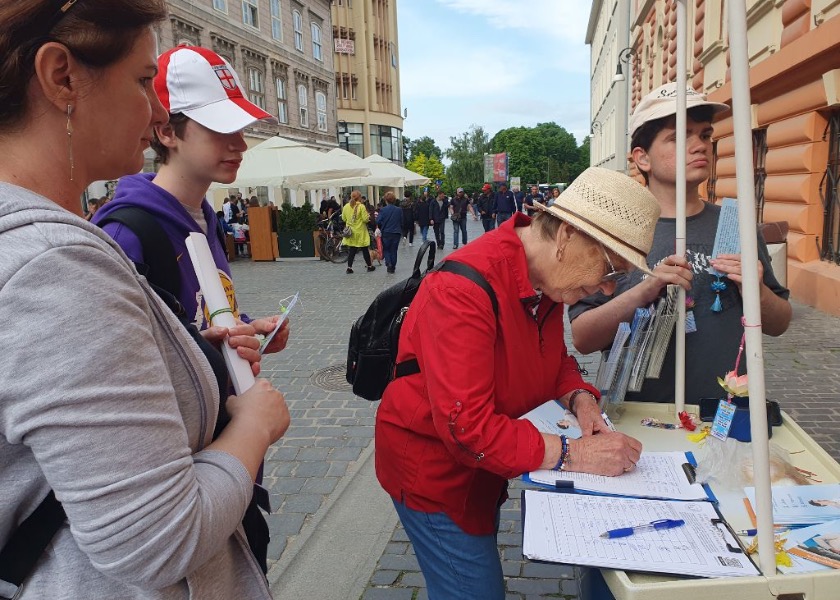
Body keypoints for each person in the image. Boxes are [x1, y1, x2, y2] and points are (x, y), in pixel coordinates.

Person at [0, 3, 289, 599]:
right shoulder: (55, 261)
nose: (157, 109)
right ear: (61, 78)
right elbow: (156, 539)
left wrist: (191, 353)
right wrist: (255, 426)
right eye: (140, 80)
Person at [375, 167, 660, 600]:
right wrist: (576, 453)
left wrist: (582, 400)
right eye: (609, 269)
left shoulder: (545, 278)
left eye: (617, 278)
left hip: (480, 468)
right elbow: (467, 427)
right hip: (434, 473)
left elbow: (554, 358)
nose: (604, 289)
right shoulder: (462, 289)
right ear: (566, 235)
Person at [569, 83, 791, 404]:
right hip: (638, 416)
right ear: (642, 158)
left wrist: (757, 292)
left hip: (724, 413)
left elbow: (779, 323)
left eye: (704, 135)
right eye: (678, 137)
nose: (699, 146)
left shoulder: (736, 224)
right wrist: (643, 292)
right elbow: (583, 338)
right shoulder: (613, 232)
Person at [95, 45, 289, 340]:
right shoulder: (127, 234)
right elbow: (120, 362)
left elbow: (205, 314)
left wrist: (247, 328)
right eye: (221, 128)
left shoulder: (203, 217)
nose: (240, 144)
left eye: (240, 128)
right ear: (167, 132)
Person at [342, 189, 376, 273]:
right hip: (360, 232)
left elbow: (343, 218)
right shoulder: (361, 206)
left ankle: (349, 268)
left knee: (352, 251)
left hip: (351, 232)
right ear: (359, 197)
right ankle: (369, 266)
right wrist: (368, 217)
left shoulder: (346, 206)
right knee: (365, 250)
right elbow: (365, 219)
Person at [376, 191, 402, 273]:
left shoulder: (383, 210)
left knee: (386, 249)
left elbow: (378, 221)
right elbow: (402, 221)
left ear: (386, 200)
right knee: (394, 250)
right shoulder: (399, 210)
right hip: (396, 232)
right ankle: (393, 265)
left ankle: (389, 263)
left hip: (386, 232)